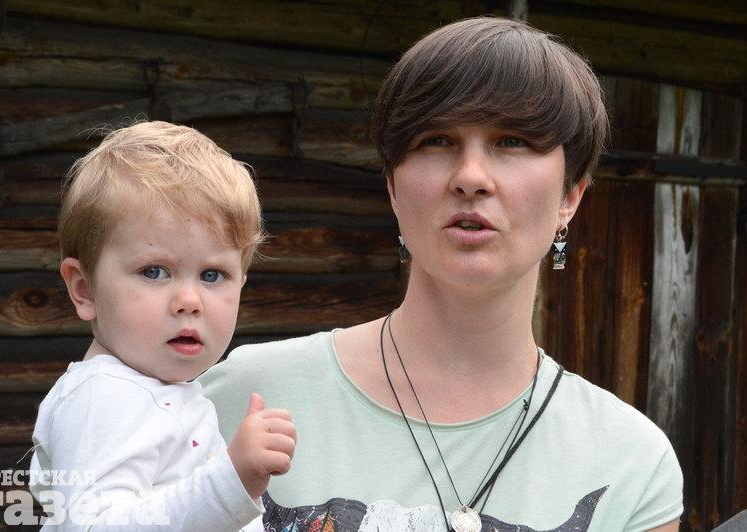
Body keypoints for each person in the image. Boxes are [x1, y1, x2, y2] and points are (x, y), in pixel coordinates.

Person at [201, 16, 683, 532]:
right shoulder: (242, 398)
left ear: (570, 195)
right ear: (392, 187)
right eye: (436, 140)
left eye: (513, 141)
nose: (470, 177)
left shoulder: (631, 467)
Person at [28, 121, 296, 530]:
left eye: (212, 275)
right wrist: (230, 481)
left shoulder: (155, 391)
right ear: (84, 289)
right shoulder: (103, 399)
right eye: (153, 271)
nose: (189, 301)